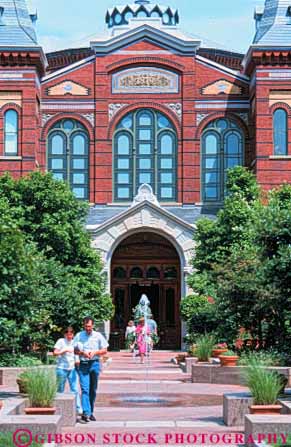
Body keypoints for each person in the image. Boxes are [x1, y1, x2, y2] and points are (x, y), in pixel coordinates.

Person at [74, 316, 108, 423]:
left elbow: (105, 350)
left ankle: (90, 412)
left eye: (89, 326)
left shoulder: (98, 336)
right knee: (85, 389)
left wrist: (95, 352)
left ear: (93, 325)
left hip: (94, 364)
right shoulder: (79, 335)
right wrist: (82, 353)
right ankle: (86, 413)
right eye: (86, 326)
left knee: (93, 390)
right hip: (83, 364)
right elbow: (74, 350)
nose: (87, 328)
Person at [53, 327, 82, 418]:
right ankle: (58, 407)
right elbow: (55, 353)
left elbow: (76, 354)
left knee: (74, 389)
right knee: (60, 389)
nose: (69, 336)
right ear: (65, 334)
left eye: (71, 334)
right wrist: (64, 350)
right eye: (68, 334)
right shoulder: (61, 341)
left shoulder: (75, 342)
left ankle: (78, 408)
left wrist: (77, 360)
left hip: (72, 368)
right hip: (61, 368)